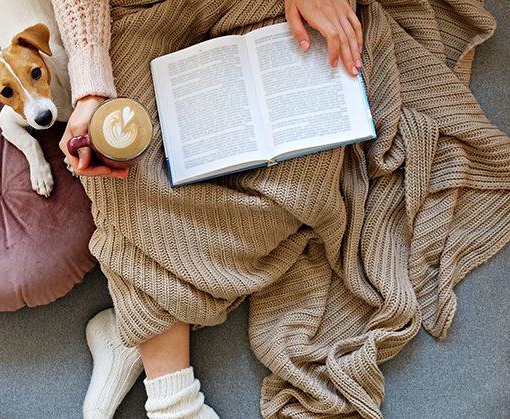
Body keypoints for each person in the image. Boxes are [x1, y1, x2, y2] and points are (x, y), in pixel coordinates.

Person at [50, 0, 364, 417]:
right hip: (138, 16)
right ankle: (173, 400)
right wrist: (90, 88)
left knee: (303, 183)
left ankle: (136, 328)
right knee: (124, 166)